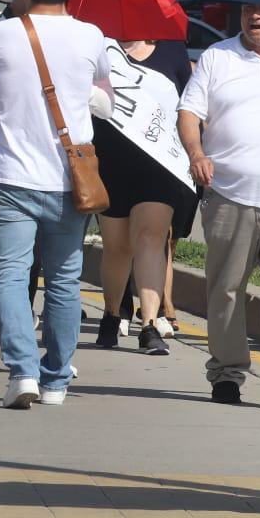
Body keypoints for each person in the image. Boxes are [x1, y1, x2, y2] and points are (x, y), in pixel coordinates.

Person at [0, 0, 111, 409]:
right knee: (65, 280)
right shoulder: (92, 36)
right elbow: (105, 99)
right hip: (72, 181)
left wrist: (15, 9)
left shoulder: (0, 34)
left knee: (11, 276)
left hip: (14, 178)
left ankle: (22, 372)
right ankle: (56, 381)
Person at [178, 2, 260, 410]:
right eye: (248, 10)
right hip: (229, 194)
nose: (255, 17)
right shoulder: (218, 56)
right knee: (225, 288)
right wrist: (196, 153)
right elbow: (189, 112)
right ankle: (227, 374)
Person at [93, 36, 195, 355]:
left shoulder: (173, 53)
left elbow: (189, 105)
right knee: (118, 247)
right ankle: (112, 314)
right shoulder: (101, 49)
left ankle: (149, 324)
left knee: (151, 239)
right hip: (110, 161)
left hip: (159, 164)